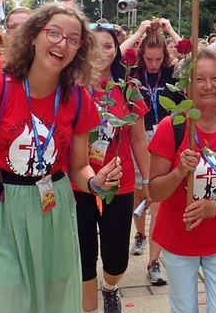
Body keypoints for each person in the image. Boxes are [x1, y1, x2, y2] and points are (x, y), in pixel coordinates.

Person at [0, 3, 121, 312]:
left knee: (53, 305)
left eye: (73, 39)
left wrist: (96, 183)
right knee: (1, 303)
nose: (62, 43)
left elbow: (79, 167)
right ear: (33, 36)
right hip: (1, 210)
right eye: (54, 33)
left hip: (53, 210)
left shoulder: (77, 98)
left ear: (79, 50)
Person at [148, 46, 216, 313]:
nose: (208, 86)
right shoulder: (172, 126)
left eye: (215, 79)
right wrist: (178, 173)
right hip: (178, 239)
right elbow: (154, 191)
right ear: (186, 85)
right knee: (184, 308)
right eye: (199, 79)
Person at [77, 21, 150, 313]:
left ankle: (110, 287)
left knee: (116, 256)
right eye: (95, 45)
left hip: (120, 184)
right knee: (83, 255)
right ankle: (89, 305)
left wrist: (149, 181)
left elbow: (140, 138)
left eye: (108, 45)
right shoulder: (71, 86)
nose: (102, 52)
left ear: (117, 51)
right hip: (78, 184)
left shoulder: (128, 89)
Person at [128, 19, 184, 287]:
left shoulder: (172, 72)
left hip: (163, 137)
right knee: (140, 192)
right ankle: (139, 234)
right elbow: (112, 53)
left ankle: (154, 261)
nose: (153, 64)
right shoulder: (133, 73)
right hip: (137, 136)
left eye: (158, 58)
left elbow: (195, 54)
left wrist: (171, 30)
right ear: (142, 56)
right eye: (149, 58)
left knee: (158, 199)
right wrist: (139, 31)